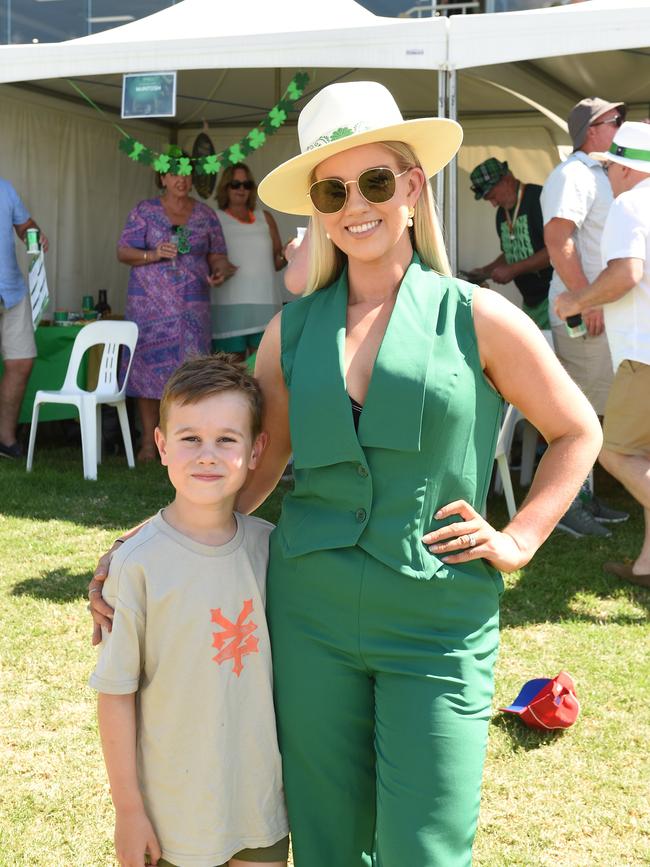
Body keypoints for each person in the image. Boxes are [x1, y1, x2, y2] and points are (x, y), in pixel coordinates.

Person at [91, 81, 602, 866]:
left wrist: (523, 537)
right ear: (317, 207)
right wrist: (141, 545)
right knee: (328, 842)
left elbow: (576, 430)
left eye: (374, 181)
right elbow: (250, 472)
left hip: (437, 623)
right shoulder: (288, 332)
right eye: (333, 188)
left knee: (424, 846)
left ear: (410, 186)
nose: (354, 204)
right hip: (308, 620)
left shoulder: (476, 315)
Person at [89, 353, 289, 867]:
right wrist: (128, 811)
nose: (207, 455)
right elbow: (115, 695)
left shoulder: (272, 551)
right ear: (161, 445)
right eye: (189, 438)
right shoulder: (135, 566)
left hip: (259, 805)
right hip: (174, 813)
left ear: (256, 449)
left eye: (227, 439)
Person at [555, 121, 650, 589]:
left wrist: (578, 300)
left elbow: (627, 273)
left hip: (644, 355)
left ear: (626, 168)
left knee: (614, 451)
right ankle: (648, 565)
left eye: (610, 166)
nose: (608, 175)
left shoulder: (631, 203)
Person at [541, 96, 630, 537]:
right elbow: (559, 239)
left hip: (593, 310)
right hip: (581, 313)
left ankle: (585, 499)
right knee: (581, 416)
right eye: (617, 121)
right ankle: (569, 507)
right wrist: (586, 300)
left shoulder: (596, 173)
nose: (622, 127)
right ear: (592, 130)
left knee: (595, 410)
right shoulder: (573, 174)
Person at [117, 150, 231, 461]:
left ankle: (184, 441)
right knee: (146, 372)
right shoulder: (145, 210)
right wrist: (152, 254)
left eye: (186, 173)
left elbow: (218, 254)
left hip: (192, 308)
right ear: (163, 178)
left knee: (190, 373)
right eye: (174, 173)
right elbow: (123, 251)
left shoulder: (206, 215)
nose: (181, 179)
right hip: (149, 306)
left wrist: (220, 271)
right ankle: (146, 442)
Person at [210, 164, 285, 360]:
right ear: (225, 187)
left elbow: (276, 262)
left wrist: (288, 253)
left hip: (265, 304)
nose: (242, 189)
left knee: (264, 371)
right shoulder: (214, 219)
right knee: (230, 372)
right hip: (229, 307)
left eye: (247, 184)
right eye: (235, 184)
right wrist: (216, 270)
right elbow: (204, 259)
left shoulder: (265, 217)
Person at [467, 158, 552, 329]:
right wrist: (485, 271)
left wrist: (513, 270)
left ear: (506, 180)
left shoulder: (539, 199)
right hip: (531, 302)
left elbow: (555, 251)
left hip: (553, 298)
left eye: (492, 196)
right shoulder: (501, 214)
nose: (493, 203)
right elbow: (510, 253)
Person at [0, 177, 48, 459]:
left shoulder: (5, 188)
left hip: (12, 291)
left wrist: (36, 234)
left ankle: (5, 439)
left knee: (21, 362)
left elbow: (25, 226)